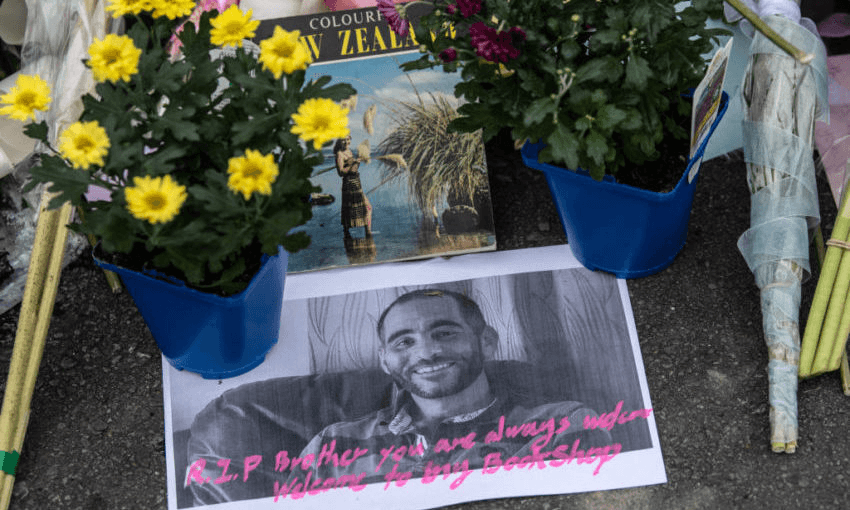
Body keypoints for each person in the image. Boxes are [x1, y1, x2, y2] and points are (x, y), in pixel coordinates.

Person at [289, 289, 615, 489]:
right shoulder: (331, 446)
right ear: (386, 362)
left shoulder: (563, 425)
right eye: (404, 342)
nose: (426, 353)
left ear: (486, 342)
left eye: (444, 334)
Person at [334, 135, 372, 238]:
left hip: (357, 182)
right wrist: (353, 164)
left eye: (347, 139)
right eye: (343, 140)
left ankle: (366, 233)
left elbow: (354, 168)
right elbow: (341, 172)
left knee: (366, 208)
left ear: (350, 139)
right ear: (340, 141)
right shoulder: (339, 154)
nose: (346, 142)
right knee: (352, 209)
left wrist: (359, 161)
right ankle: (353, 233)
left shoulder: (350, 151)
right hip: (349, 184)